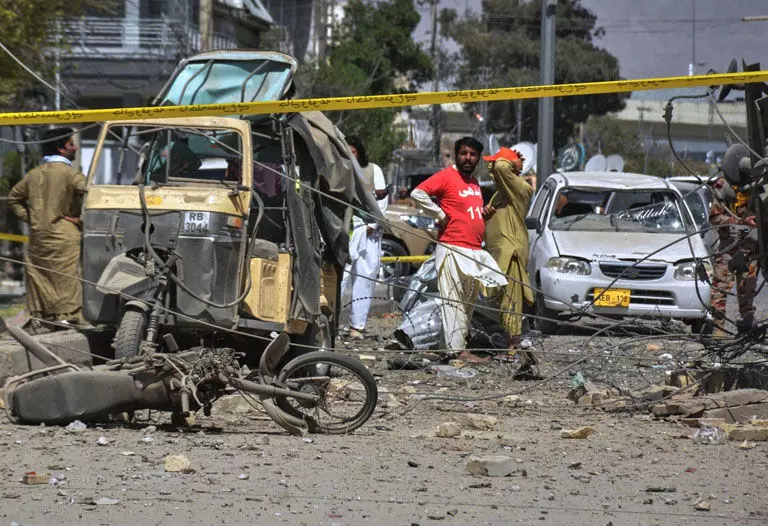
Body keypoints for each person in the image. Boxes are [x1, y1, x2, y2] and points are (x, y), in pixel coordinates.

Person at [410, 137, 507, 351]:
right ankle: (457, 354)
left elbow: (469, 213)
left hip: (473, 250)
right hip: (452, 248)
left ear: (478, 158)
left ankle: (454, 348)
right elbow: (417, 193)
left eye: (472, 154)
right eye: (464, 153)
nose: (468, 158)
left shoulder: (474, 182)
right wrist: (438, 213)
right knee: (453, 303)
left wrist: (484, 216)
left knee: (467, 303)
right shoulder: (446, 176)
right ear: (457, 154)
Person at [9, 128, 87, 329]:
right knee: (67, 278)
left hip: (38, 236)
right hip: (64, 236)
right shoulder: (71, 174)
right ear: (61, 148)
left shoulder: (33, 175)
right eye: (71, 143)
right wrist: (79, 220)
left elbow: (14, 198)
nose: (75, 147)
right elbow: (90, 194)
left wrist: (34, 218)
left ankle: (44, 318)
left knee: (41, 277)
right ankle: (68, 317)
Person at [482, 147, 537, 374]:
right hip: (498, 253)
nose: (491, 170)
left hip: (511, 252)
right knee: (501, 300)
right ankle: (511, 340)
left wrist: (512, 161)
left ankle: (513, 346)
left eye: (494, 164)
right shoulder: (501, 193)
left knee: (511, 300)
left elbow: (501, 167)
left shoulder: (521, 189)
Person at [342, 135, 388, 339]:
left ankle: (356, 326)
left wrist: (373, 224)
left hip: (367, 232)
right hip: (344, 231)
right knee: (340, 278)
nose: (349, 155)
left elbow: (382, 198)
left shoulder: (372, 170)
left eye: (352, 151)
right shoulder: (338, 170)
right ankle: (330, 322)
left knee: (364, 278)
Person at [709, 176, 758, 336]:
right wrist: (740, 222)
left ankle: (746, 330)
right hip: (728, 248)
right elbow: (715, 218)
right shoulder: (724, 186)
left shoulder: (759, 184)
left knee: (747, 291)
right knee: (719, 290)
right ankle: (718, 329)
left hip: (750, 250)